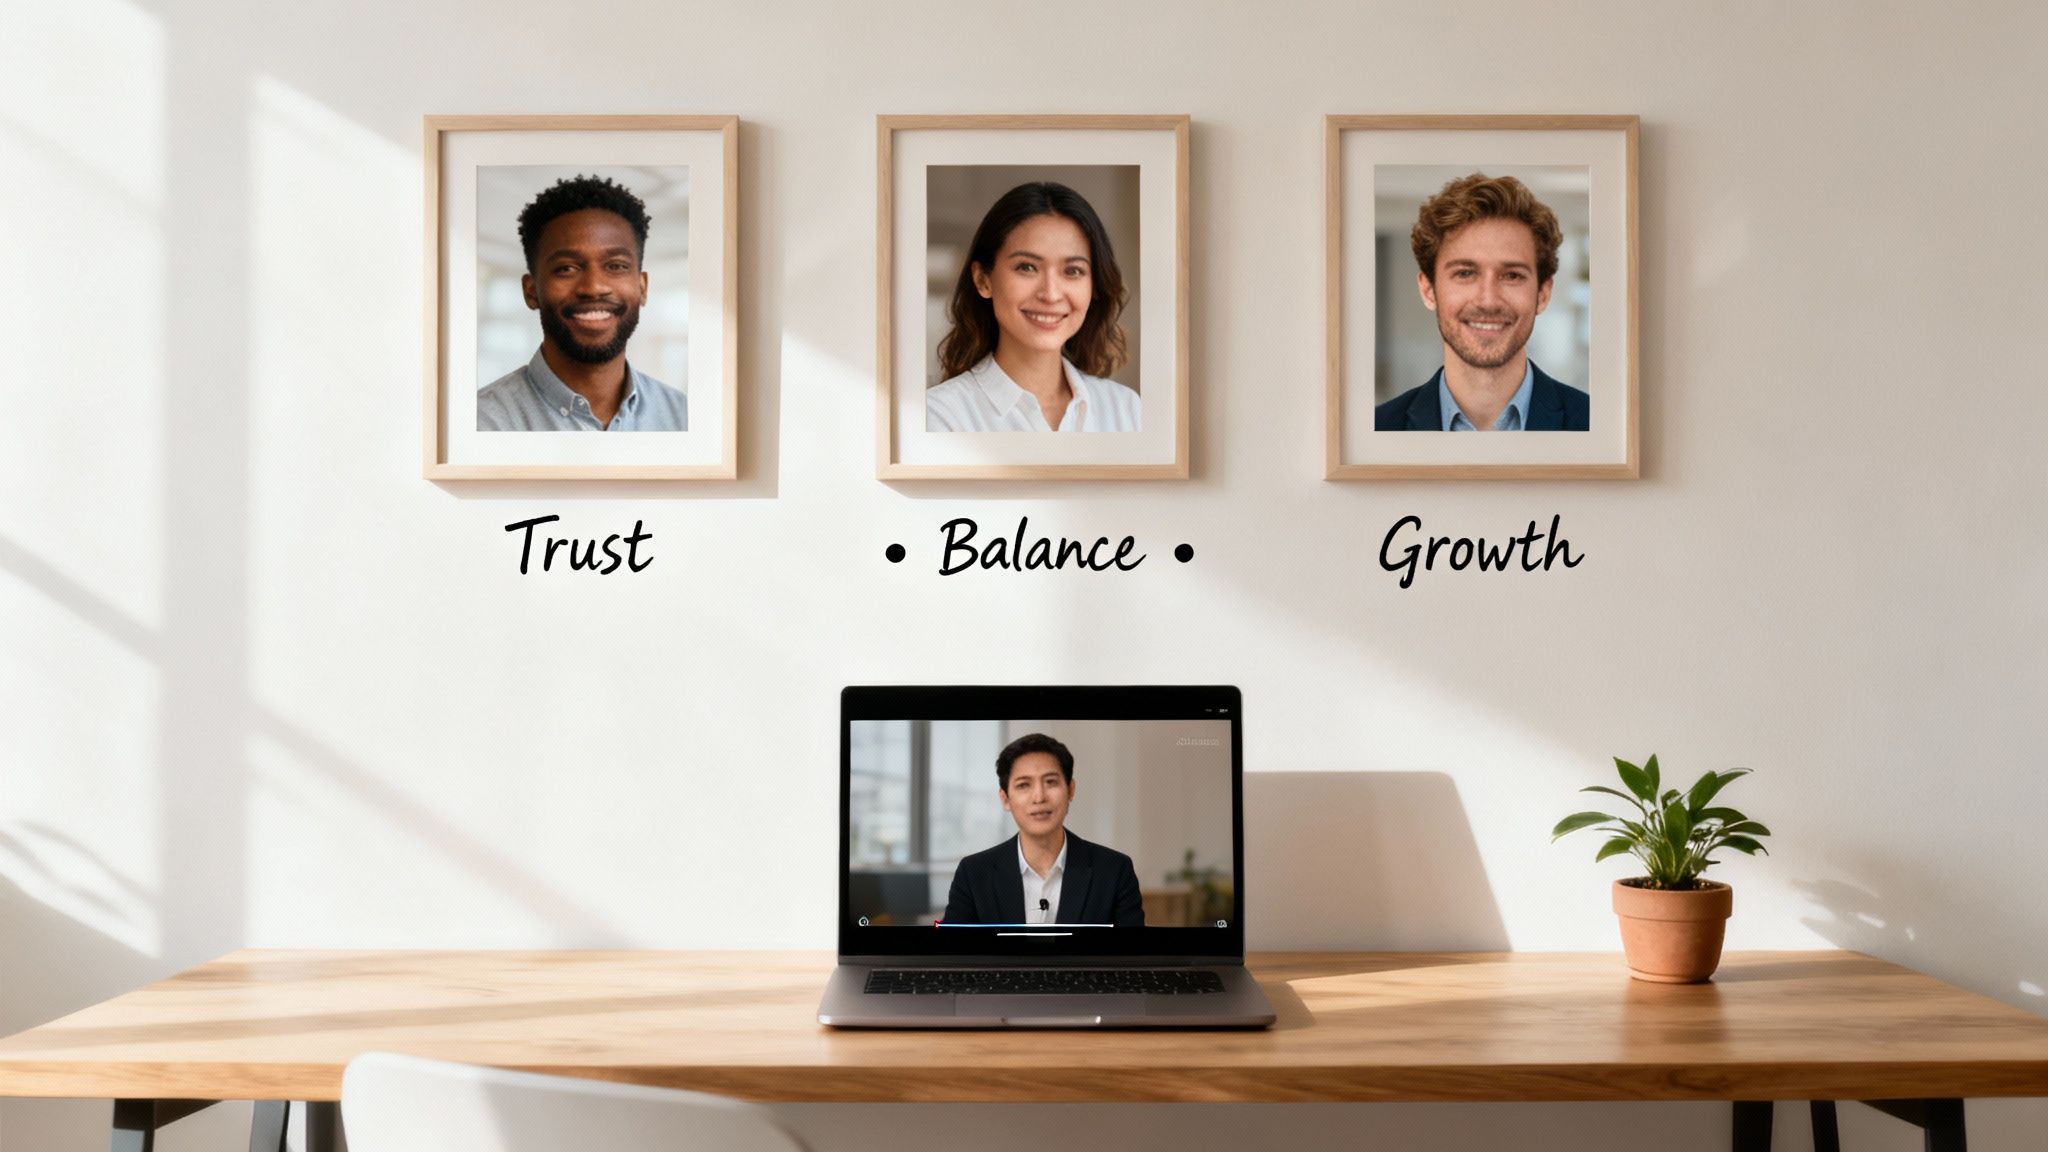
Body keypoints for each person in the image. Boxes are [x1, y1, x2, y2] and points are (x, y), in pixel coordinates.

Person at [1376, 173, 1590, 432]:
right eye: (1465, 273)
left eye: (1512, 276)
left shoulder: (1596, 424)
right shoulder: (1380, 427)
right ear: (1428, 290)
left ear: (1543, 294)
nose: (1488, 301)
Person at [477, 175, 689, 432]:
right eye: (566, 268)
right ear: (531, 291)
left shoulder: (683, 417)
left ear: (642, 287)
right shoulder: (481, 422)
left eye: (616, 266)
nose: (594, 287)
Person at [926, 182, 1142, 432]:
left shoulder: (1126, 409)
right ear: (983, 280)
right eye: (1027, 267)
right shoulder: (939, 416)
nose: (1050, 294)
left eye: (1073, 271)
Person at [941, 733, 1145, 927]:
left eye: (1051, 782)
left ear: (1070, 790)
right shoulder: (973, 874)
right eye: (1024, 785)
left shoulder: (1114, 871)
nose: (1039, 797)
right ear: (1005, 799)